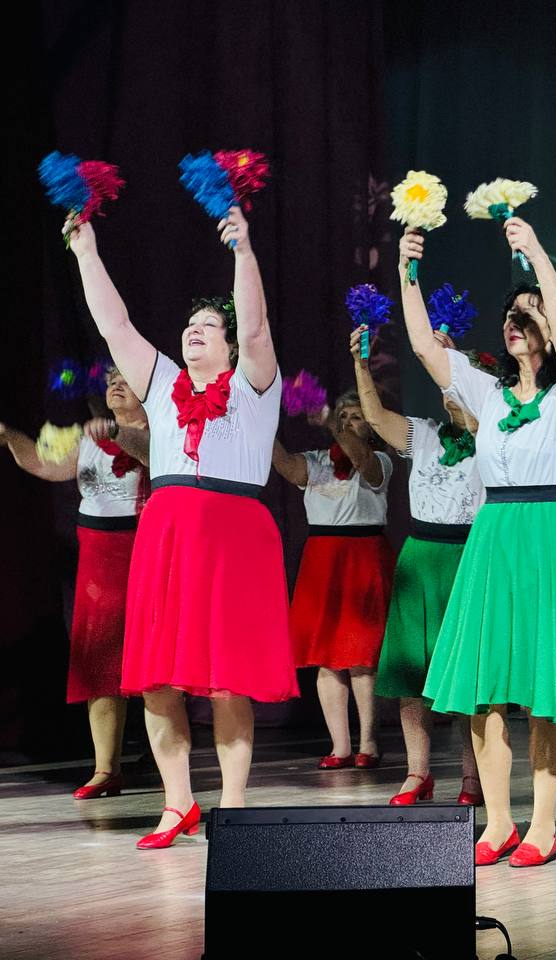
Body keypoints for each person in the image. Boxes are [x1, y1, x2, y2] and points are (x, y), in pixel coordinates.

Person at [66, 206, 296, 850]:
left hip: (234, 537)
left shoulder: (254, 385)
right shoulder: (164, 381)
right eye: (189, 325)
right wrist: (86, 252)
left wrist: (243, 250)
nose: (194, 331)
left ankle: (234, 805)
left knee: (227, 680)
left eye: (208, 326)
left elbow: (256, 325)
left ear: (229, 344)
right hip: (167, 534)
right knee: (156, 678)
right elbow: (114, 324)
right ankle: (177, 804)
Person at [409, 220, 556, 868]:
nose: (515, 321)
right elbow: (424, 348)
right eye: (509, 314)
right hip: (495, 533)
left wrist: (534, 253)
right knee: (487, 685)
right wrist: (407, 271)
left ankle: (543, 827)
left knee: (545, 688)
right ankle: (498, 822)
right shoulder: (488, 393)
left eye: (527, 313)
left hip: (549, 532)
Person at [347, 324, 484, 806]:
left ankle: (473, 777)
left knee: (466, 678)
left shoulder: (495, 438)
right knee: (412, 678)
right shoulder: (423, 434)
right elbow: (374, 416)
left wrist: (458, 368)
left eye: (456, 379)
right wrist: (361, 364)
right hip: (420, 557)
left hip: (468, 559)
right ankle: (417, 773)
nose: (447, 388)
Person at [1, 368, 149, 798]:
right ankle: (106, 769)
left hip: (143, 553)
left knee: (152, 665)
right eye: (111, 379)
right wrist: (10, 437)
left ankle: (171, 764)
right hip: (98, 562)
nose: (116, 384)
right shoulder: (88, 438)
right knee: (99, 660)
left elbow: (149, 454)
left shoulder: (164, 433)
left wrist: (116, 431)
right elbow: (43, 464)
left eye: (126, 378)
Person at [272, 390, 395, 771]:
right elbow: (287, 467)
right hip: (322, 559)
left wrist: (328, 419)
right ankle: (339, 745)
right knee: (326, 659)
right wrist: (261, 426)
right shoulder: (317, 460)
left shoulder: (380, 460)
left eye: (356, 417)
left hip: (362, 557)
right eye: (342, 416)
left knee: (361, 658)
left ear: (371, 426)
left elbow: (360, 459)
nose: (346, 422)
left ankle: (368, 742)